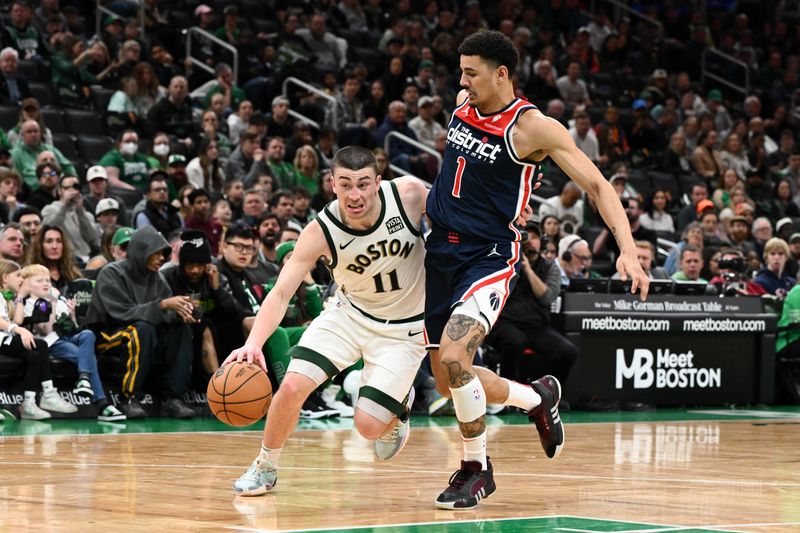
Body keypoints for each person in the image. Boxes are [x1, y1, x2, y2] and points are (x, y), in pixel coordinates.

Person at [423, 31, 647, 510]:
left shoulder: (534, 128)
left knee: (456, 358)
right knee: (449, 380)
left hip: (487, 256)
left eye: (471, 72)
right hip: (440, 251)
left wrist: (627, 249)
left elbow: (598, 185)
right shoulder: (464, 101)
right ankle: (537, 398)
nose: (460, 80)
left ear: (501, 73)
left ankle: (475, 469)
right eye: (460, 70)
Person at [224, 147, 429, 495]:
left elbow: (464, 209)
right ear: (332, 184)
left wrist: (510, 214)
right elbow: (279, 293)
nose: (355, 194)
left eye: (363, 184)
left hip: (403, 330)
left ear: (379, 182)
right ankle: (265, 465)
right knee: (291, 386)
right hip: (348, 315)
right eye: (346, 184)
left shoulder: (409, 194)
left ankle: (397, 406)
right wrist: (253, 344)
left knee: (367, 427)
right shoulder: (320, 231)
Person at [85, 226, 196, 419]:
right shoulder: (111, 273)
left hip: (142, 332)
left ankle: (172, 399)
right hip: (107, 334)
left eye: (164, 254)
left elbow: (164, 313)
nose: (162, 258)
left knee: (180, 329)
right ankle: (128, 398)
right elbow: (121, 313)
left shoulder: (157, 278)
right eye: (157, 253)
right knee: (141, 330)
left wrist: (181, 314)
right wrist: (162, 305)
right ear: (141, 250)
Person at [17, 264, 125, 422]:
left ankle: (84, 379)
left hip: (67, 336)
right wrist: (52, 303)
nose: (46, 283)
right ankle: (101, 403)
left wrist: (72, 314)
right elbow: (47, 330)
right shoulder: (31, 304)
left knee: (87, 334)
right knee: (88, 357)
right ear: (27, 285)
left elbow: (73, 327)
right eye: (39, 280)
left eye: (47, 280)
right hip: (51, 342)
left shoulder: (56, 299)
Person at [0, 259, 76, 420]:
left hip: (7, 338)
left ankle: (29, 404)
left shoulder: (10, 297)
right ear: (5, 277)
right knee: (39, 344)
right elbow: (5, 322)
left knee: (33, 355)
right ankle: (49, 394)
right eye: (18, 275)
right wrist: (19, 330)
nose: (22, 279)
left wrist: (20, 296)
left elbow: (18, 319)